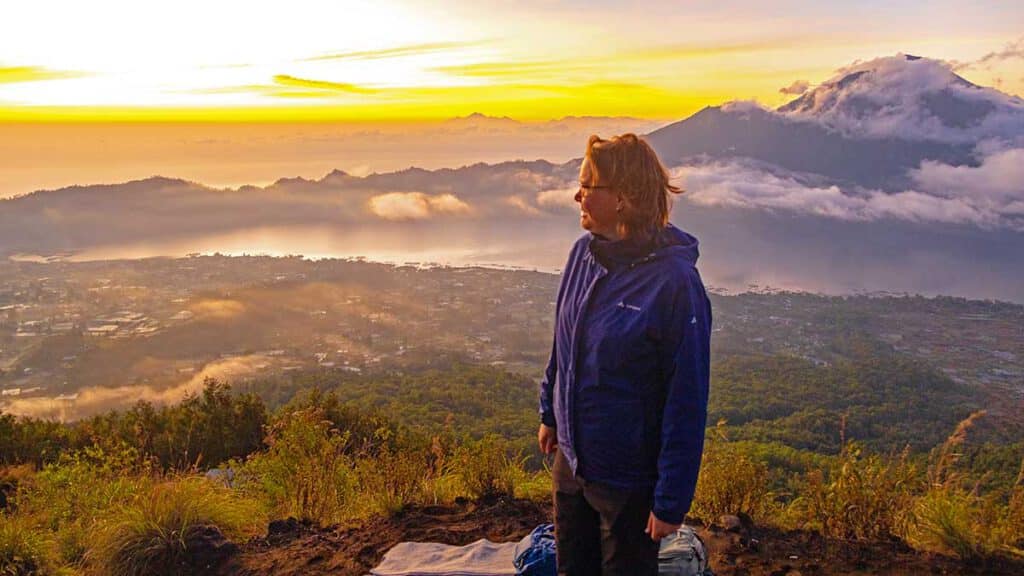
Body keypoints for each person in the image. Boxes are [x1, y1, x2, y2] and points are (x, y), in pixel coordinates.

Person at [537, 133, 712, 575]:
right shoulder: (583, 255)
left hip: (628, 481)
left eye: (587, 185)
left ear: (622, 198)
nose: (577, 195)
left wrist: (671, 500)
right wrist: (549, 413)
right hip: (573, 465)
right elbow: (564, 341)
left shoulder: (674, 284)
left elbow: (686, 398)